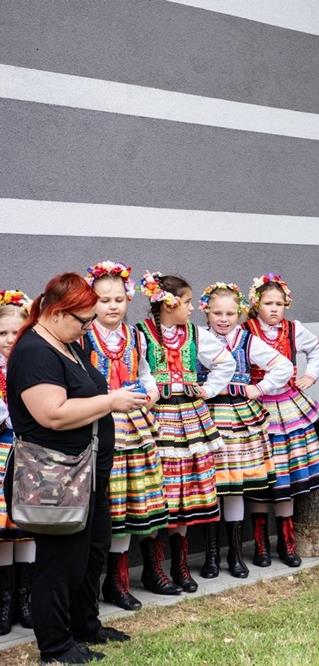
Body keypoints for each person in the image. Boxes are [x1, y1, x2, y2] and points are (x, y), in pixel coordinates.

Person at [5, 273, 144, 663]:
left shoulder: (67, 343)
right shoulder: (34, 352)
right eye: (83, 320)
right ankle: (55, 646)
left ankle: (85, 625)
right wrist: (112, 401)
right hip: (55, 477)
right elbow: (53, 414)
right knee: (60, 563)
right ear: (55, 312)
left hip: (87, 473)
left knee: (91, 554)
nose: (88, 327)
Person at [136, 272, 236, 593]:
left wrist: (207, 390)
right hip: (157, 419)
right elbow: (135, 371)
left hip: (190, 419)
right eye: (188, 302)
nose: (193, 308)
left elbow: (226, 363)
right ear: (169, 303)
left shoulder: (194, 334)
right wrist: (147, 393)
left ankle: (179, 565)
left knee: (184, 491)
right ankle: (153, 568)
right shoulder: (140, 334)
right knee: (157, 492)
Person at [81, 262, 168, 611]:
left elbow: (144, 372)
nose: (112, 306)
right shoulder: (84, 336)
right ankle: (93, 581)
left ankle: (119, 581)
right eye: (104, 300)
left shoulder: (136, 336)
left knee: (132, 500)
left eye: (118, 299)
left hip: (134, 426)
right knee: (107, 502)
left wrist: (151, 390)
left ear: (128, 299)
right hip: (99, 423)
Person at [200, 283, 291, 577]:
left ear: (239, 314)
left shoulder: (246, 340)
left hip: (237, 417)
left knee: (234, 486)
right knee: (210, 485)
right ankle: (211, 555)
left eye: (229, 314)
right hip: (206, 415)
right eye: (217, 313)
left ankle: (235, 554)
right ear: (206, 312)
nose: (223, 319)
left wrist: (259, 388)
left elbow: (284, 367)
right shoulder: (197, 338)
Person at [244, 273, 319, 569]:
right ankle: (260, 542)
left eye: (279, 304)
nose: (274, 309)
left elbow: (317, 348)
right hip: (256, 408)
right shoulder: (246, 331)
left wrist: (311, 375)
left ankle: (286, 541)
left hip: (287, 408)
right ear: (257, 304)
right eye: (268, 303)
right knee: (259, 475)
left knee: (286, 475)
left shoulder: (293, 329)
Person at [0, 290, 35, 634]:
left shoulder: (32, 363)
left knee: (27, 525)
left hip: (31, 452)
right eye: (3, 333)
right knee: (4, 528)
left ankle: (26, 598)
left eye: (16, 332)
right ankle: (4, 600)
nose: (10, 339)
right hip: (2, 449)